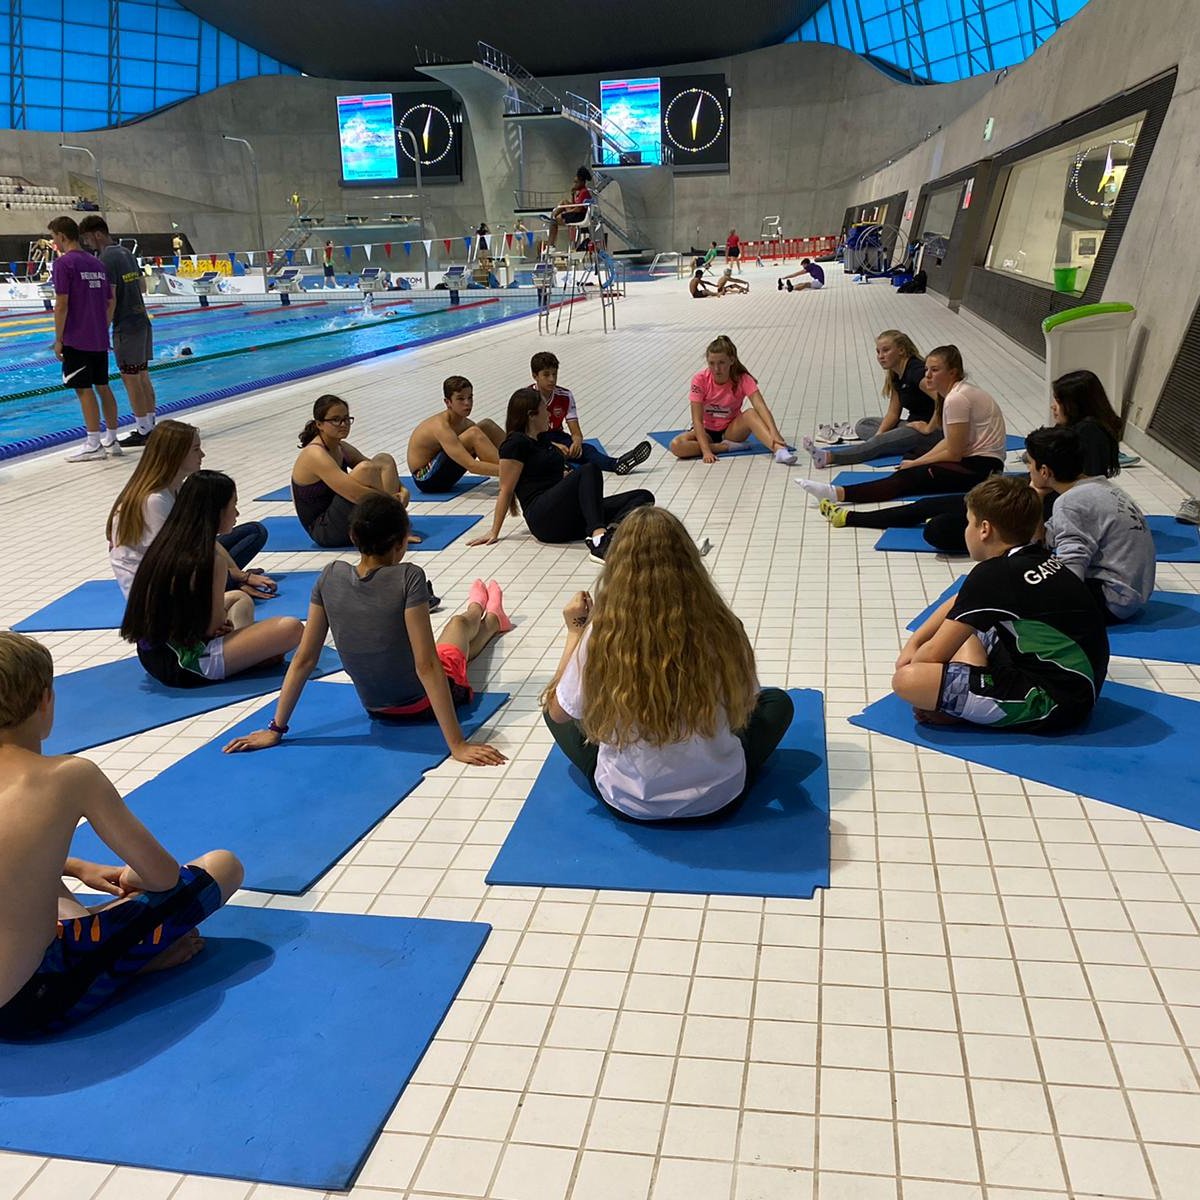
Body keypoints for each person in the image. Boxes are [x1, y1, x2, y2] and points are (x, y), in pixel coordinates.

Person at [0, 632, 244, 1038]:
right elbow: (162, 877)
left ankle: (107, 947)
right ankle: (134, 963)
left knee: (45, 886)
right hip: (30, 1004)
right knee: (223, 866)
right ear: (46, 701)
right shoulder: (69, 776)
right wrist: (129, 879)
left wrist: (77, 866)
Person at [541, 507, 794, 821]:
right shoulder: (724, 626)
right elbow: (745, 703)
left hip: (631, 802)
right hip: (719, 797)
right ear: (689, 561)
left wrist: (575, 632)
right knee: (778, 703)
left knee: (553, 707)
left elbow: (558, 712)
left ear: (616, 567)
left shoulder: (601, 635)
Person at [223, 495, 509, 764]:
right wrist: (457, 745)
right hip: (421, 704)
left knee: (448, 646)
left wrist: (276, 729)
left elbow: (304, 659)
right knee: (457, 627)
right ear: (401, 544)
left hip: (376, 707)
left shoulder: (330, 575)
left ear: (352, 537)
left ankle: (488, 615)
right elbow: (426, 665)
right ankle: (486, 615)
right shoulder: (409, 576)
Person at [893, 475, 1109, 732]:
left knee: (908, 681)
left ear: (984, 529)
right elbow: (960, 602)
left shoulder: (995, 574)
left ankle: (964, 706)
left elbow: (932, 656)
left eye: (968, 522)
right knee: (967, 625)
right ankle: (970, 689)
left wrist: (912, 660)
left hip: (1056, 701)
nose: (966, 530)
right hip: (1077, 682)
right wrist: (915, 641)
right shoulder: (1034, 555)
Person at [820, 369, 1118, 553]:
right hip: (1024, 495)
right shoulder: (1083, 431)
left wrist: (1033, 497)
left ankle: (848, 509)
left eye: (1057, 401)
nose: (1053, 407)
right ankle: (849, 516)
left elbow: (1075, 489)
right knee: (927, 506)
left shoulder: (1087, 436)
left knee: (936, 523)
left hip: (1027, 506)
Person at [120, 470, 303, 688]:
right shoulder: (210, 560)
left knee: (238, 597)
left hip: (151, 653)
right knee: (291, 628)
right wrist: (218, 626)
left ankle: (246, 652)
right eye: (232, 506)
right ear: (216, 511)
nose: (236, 513)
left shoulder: (166, 542)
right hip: (185, 663)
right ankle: (248, 658)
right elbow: (211, 627)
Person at [800, 344, 1005, 507]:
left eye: (935, 370)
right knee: (909, 459)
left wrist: (918, 464)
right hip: (973, 460)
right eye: (927, 370)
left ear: (953, 373)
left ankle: (837, 493)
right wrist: (918, 460)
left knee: (910, 476)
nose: (928, 376)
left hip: (983, 469)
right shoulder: (951, 394)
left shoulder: (956, 398)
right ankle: (846, 489)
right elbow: (950, 442)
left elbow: (954, 452)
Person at [469, 388, 654, 562]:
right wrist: (494, 531)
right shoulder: (515, 443)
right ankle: (599, 539)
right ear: (531, 415)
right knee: (589, 470)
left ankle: (608, 530)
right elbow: (506, 489)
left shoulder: (543, 440)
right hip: (543, 518)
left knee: (643, 497)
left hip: (565, 514)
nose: (549, 414)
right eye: (544, 410)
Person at [107, 419, 273, 600]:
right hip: (154, 585)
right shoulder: (153, 501)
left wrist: (237, 575)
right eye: (196, 449)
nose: (202, 454)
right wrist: (239, 577)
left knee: (254, 532)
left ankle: (227, 581)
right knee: (214, 569)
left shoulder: (176, 487)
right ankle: (225, 583)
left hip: (175, 564)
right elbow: (174, 560)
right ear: (175, 454)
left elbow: (203, 538)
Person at [1028, 426, 1155, 622]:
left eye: (1029, 463)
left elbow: (1071, 569)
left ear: (1044, 471)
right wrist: (1036, 498)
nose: (1028, 469)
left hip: (1111, 599)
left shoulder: (1071, 502)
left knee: (1017, 589)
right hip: (1130, 593)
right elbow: (1045, 541)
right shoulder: (1099, 487)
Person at [804, 332, 939, 467]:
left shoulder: (916, 371)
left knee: (881, 442)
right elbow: (893, 413)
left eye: (886, 350)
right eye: (878, 352)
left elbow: (943, 398)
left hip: (934, 433)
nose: (880, 356)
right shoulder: (896, 374)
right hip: (912, 425)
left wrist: (928, 428)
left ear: (901, 350)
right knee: (864, 425)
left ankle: (828, 457)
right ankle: (890, 442)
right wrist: (879, 435)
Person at [79, 216, 157, 448]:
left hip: (126, 326)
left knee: (130, 378)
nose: (86, 244)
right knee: (142, 375)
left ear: (97, 234)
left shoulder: (106, 259)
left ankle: (144, 430)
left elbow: (110, 300)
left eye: (86, 238)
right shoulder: (126, 253)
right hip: (142, 320)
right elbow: (143, 286)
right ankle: (150, 425)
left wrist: (100, 332)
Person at [293, 394, 412, 547]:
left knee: (384, 459)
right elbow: (355, 494)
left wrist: (402, 491)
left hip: (340, 517)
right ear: (319, 424)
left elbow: (380, 469)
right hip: (324, 530)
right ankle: (391, 529)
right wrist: (395, 504)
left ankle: (392, 527)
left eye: (346, 419)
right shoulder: (315, 454)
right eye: (336, 420)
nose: (343, 424)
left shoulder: (341, 447)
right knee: (365, 469)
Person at [48, 216, 119, 463]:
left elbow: (62, 305)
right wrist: (100, 325)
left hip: (77, 338)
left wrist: (58, 339)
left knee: (83, 389)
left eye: (54, 237)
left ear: (63, 236)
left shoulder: (64, 264)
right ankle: (113, 439)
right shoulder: (96, 263)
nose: (53, 241)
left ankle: (93, 443)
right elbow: (110, 301)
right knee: (103, 385)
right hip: (99, 336)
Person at [669, 335, 796, 465]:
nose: (717, 369)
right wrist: (706, 450)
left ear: (731, 360)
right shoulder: (700, 379)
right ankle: (725, 447)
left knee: (751, 413)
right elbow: (697, 419)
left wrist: (774, 432)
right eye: (712, 363)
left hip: (731, 431)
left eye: (721, 363)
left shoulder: (743, 379)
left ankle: (779, 450)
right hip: (706, 431)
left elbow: (760, 406)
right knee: (676, 445)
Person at [530, 351, 651, 475]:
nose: (552, 379)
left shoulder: (565, 395)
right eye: (546, 375)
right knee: (551, 456)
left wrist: (577, 443)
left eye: (554, 374)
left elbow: (575, 431)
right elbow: (523, 435)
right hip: (535, 441)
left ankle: (616, 464)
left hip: (558, 436)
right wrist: (552, 445)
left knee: (587, 450)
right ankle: (565, 468)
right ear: (535, 376)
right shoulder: (526, 398)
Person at [406, 375, 505, 494]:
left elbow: (483, 451)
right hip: (425, 479)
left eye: (470, 397)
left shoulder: (466, 424)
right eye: (460, 399)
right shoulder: (441, 426)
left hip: (440, 471)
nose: (467, 403)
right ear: (448, 402)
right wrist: (513, 471)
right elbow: (471, 465)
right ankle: (516, 473)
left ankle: (522, 462)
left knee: (487, 425)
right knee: (474, 433)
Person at [545, 167, 593, 252]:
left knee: (556, 220)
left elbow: (578, 209)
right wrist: (572, 194)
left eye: (576, 182)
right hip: (577, 214)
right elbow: (575, 204)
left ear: (582, 182)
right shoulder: (580, 192)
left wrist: (567, 211)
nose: (574, 184)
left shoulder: (584, 192)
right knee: (563, 202)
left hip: (580, 216)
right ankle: (553, 216)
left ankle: (551, 245)